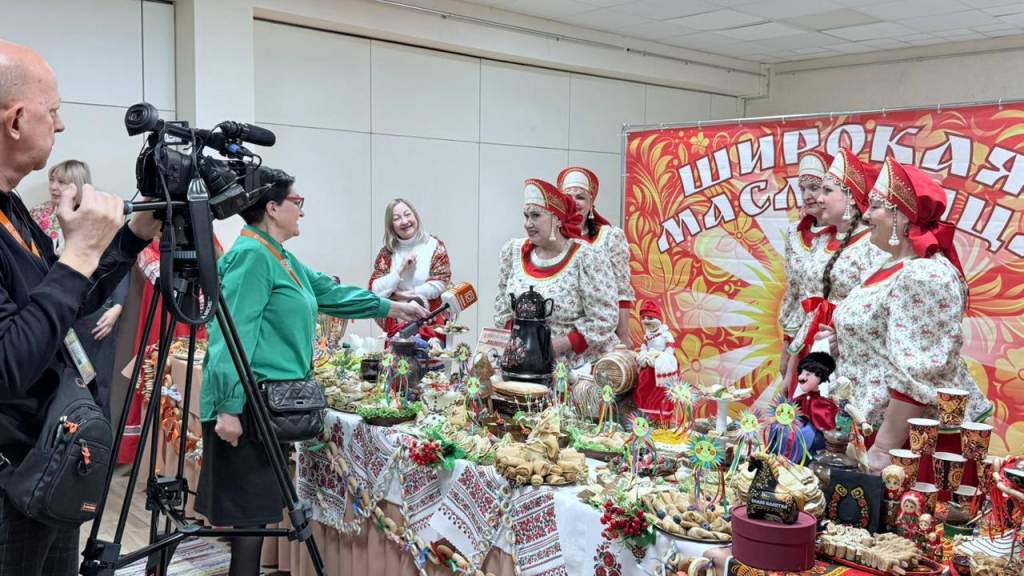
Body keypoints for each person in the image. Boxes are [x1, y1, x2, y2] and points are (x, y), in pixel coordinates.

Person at [195, 168, 426, 576]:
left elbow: (331, 294)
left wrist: (393, 307)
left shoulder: (278, 256)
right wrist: (228, 408)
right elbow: (230, 335)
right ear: (272, 208)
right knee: (250, 521)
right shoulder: (252, 256)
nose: (301, 210)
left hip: (267, 407)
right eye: (296, 202)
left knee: (257, 517)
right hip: (248, 407)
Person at [0, 40, 161, 574]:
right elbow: (9, 364)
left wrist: (133, 235)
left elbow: (67, 299)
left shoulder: (12, 209)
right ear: (16, 120)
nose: (61, 124)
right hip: (11, 477)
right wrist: (80, 253)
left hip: (50, 458)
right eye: (52, 110)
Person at [832, 156, 991, 474]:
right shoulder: (888, 266)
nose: (866, 215)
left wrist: (883, 450)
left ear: (901, 216)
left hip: (907, 444)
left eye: (875, 207)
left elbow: (918, 372)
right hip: (874, 430)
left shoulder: (924, 275)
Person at [29, 159, 127, 418]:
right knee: (58, 383)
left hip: (94, 309)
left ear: (77, 184)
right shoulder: (36, 216)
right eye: (51, 180)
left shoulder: (98, 216)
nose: (54, 186)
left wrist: (118, 305)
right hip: (52, 308)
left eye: (61, 182)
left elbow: (117, 260)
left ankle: (98, 436)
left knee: (97, 380)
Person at [784, 148, 887, 394]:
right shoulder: (824, 239)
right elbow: (803, 298)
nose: (818, 198)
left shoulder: (872, 244)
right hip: (811, 347)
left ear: (850, 197)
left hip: (846, 362)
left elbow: (879, 312)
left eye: (826, 191)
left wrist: (843, 336)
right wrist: (791, 355)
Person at [494, 178, 617, 368]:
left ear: (557, 219)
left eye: (536, 216)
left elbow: (604, 317)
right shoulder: (513, 252)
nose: (528, 224)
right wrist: (521, 345)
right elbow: (502, 310)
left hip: (577, 366)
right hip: (524, 363)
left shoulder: (586, 256)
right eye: (526, 216)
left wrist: (556, 346)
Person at [558, 167, 635, 346]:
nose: (574, 202)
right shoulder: (551, 238)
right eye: (568, 197)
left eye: (580, 197)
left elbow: (622, 291)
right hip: (559, 336)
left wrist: (623, 335)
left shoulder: (609, 237)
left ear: (591, 203)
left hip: (600, 334)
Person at [778, 152, 834, 372]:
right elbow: (793, 292)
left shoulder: (845, 235)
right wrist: (786, 346)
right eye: (802, 189)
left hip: (830, 337)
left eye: (814, 187)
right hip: (799, 339)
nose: (807, 195)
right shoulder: (794, 233)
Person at [369, 198, 451, 340]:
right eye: (397, 218)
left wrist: (402, 296)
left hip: (430, 328)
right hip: (398, 331)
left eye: (407, 214)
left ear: (415, 216)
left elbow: (440, 283)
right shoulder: (387, 252)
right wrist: (400, 268)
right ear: (391, 225)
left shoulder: (434, 245)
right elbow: (375, 290)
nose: (404, 221)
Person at [633, 300, 678, 422]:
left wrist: (661, 357)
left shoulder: (665, 334)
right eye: (644, 318)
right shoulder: (647, 335)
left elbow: (670, 348)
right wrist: (643, 355)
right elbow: (644, 347)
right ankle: (645, 416)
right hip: (648, 367)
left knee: (660, 393)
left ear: (658, 319)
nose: (647, 321)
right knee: (644, 389)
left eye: (650, 318)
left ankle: (661, 418)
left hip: (660, 366)